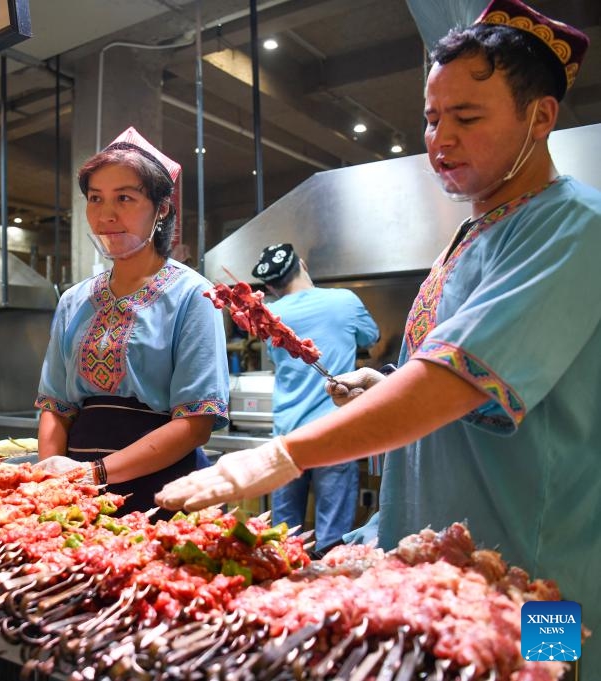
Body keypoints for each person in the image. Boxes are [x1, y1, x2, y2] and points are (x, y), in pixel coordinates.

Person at [157, 0, 600, 673]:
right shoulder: (468, 237)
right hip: (441, 574)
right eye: (431, 118)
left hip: (543, 577)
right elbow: (466, 390)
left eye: (467, 118)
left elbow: (457, 378)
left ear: (540, 117)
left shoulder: (575, 227)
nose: (439, 140)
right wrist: (389, 384)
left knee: (551, 672)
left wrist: (283, 455)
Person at [34, 127, 229, 516]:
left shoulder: (194, 295)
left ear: (162, 209)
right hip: (79, 496)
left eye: (125, 198)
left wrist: (96, 473)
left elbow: (196, 422)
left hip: (163, 493)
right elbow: (56, 405)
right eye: (95, 199)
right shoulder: (74, 300)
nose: (106, 215)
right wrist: (50, 483)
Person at [251, 243, 379, 553]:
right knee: (332, 542)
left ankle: (281, 594)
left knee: (284, 539)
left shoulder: (271, 316)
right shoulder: (345, 301)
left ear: (269, 287)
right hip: (335, 432)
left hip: (288, 437)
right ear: (303, 265)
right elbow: (370, 337)